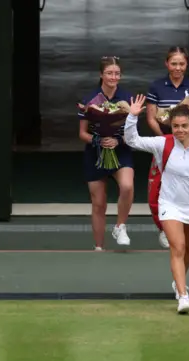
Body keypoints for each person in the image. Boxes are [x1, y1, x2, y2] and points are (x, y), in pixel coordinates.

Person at [123, 94, 189, 314]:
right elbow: (132, 141)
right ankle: (183, 296)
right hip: (169, 204)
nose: (180, 130)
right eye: (175, 126)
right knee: (177, 247)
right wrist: (133, 117)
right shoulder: (163, 144)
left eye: (184, 126)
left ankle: (178, 282)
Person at [145, 46, 189, 249]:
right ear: (167, 64)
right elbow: (151, 117)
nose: (178, 67)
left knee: (188, 183)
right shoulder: (157, 87)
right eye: (174, 63)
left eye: (181, 63)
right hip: (166, 143)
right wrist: (165, 140)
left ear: (186, 64)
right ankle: (163, 226)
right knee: (158, 186)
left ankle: (183, 225)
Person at [78, 56, 134, 250]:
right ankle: (99, 247)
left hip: (121, 150)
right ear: (101, 74)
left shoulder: (128, 98)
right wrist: (99, 140)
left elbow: (133, 132)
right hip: (96, 152)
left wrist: (117, 140)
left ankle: (120, 226)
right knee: (99, 203)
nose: (113, 77)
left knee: (127, 186)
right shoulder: (90, 100)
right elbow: (82, 133)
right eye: (109, 73)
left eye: (117, 73)